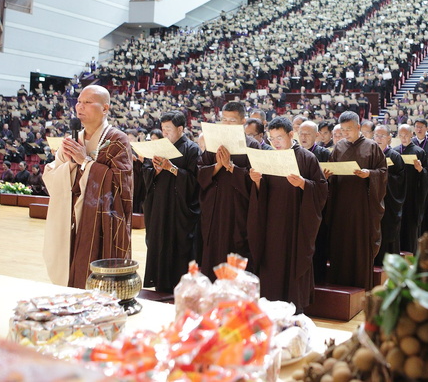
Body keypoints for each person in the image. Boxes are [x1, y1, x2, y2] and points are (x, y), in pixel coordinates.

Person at [42, 85, 133, 288]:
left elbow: (120, 185)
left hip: (103, 218)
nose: (80, 107)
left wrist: (85, 162)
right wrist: (69, 163)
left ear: (105, 108)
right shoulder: (74, 140)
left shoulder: (117, 140)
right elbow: (53, 172)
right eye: (79, 102)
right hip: (73, 215)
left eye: (87, 102)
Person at [247, 116, 327, 312]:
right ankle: (269, 307)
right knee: (270, 262)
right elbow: (261, 193)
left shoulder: (307, 158)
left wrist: (303, 184)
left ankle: (294, 309)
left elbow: (322, 189)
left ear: (291, 135)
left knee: (293, 264)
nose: (275, 143)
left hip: (296, 224)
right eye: (272, 139)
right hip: (271, 225)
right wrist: (256, 181)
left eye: (279, 138)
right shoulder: (268, 157)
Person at [323, 111, 387, 289]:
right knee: (340, 242)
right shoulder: (339, 147)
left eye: (349, 129)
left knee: (359, 244)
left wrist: (369, 174)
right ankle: (338, 282)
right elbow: (332, 169)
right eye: (342, 130)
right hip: (340, 204)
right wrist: (327, 175)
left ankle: (360, 285)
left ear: (358, 127)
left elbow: (383, 173)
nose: (345, 133)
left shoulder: (372, 147)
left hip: (362, 206)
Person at [140, 111, 201, 293]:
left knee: (179, 246)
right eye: (163, 129)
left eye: (169, 129)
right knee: (157, 243)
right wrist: (156, 170)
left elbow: (195, 181)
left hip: (179, 208)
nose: (165, 133)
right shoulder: (157, 146)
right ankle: (159, 283)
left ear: (180, 129)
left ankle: (181, 287)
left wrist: (171, 168)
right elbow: (146, 171)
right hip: (158, 205)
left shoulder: (191, 149)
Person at [197, 101, 260, 272]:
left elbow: (256, 178)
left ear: (242, 121)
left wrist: (231, 167)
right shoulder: (213, 143)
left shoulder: (252, 145)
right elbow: (200, 171)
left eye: (231, 121)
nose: (226, 124)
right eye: (224, 119)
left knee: (237, 245)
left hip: (238, 208)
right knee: (213, 246)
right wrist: (218, 166)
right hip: (215, 207)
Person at [373, 124, 405, 264]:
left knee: (387, 232)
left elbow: (400, 181)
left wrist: (382, 176)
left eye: (382, 136)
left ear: (389, 139)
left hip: (389, 202)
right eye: (376, 135)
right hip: (373, 202)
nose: (379, 138)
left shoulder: (395, 156)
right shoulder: (371, 154)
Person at [395, 124, 428, 252]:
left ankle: (410, 251)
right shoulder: (395, 151)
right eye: (401, 135)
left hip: (412, 194)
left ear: (411, 135)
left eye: (406, 135)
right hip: (397, 193)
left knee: (410, 223)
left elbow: (426, 176)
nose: (403, 138)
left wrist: (420, 169)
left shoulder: (419, 152)